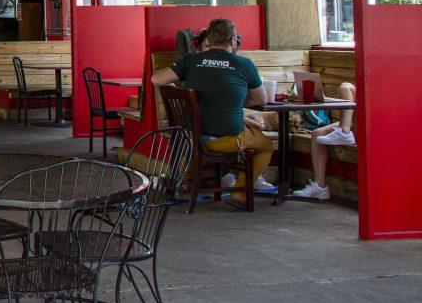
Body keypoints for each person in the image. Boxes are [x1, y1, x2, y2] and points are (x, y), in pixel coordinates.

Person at [152, 18, 271, 208]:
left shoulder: (190, 61)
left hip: (192, 137)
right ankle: (240, 192)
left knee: (243, 129)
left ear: (211, 39)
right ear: (233, 40)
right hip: (227, 140)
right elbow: (261, 100)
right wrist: (234, 100)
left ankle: (188, 180)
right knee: (266, 145)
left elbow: (156, 79)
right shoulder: (245, 64)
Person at [292, 82, 357, 201]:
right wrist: (319, 98)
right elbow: (344, 105)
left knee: (345, 86)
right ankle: (320, 187)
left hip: (367, 123)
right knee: (317, 134)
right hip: (351, 123)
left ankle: (344, 131)